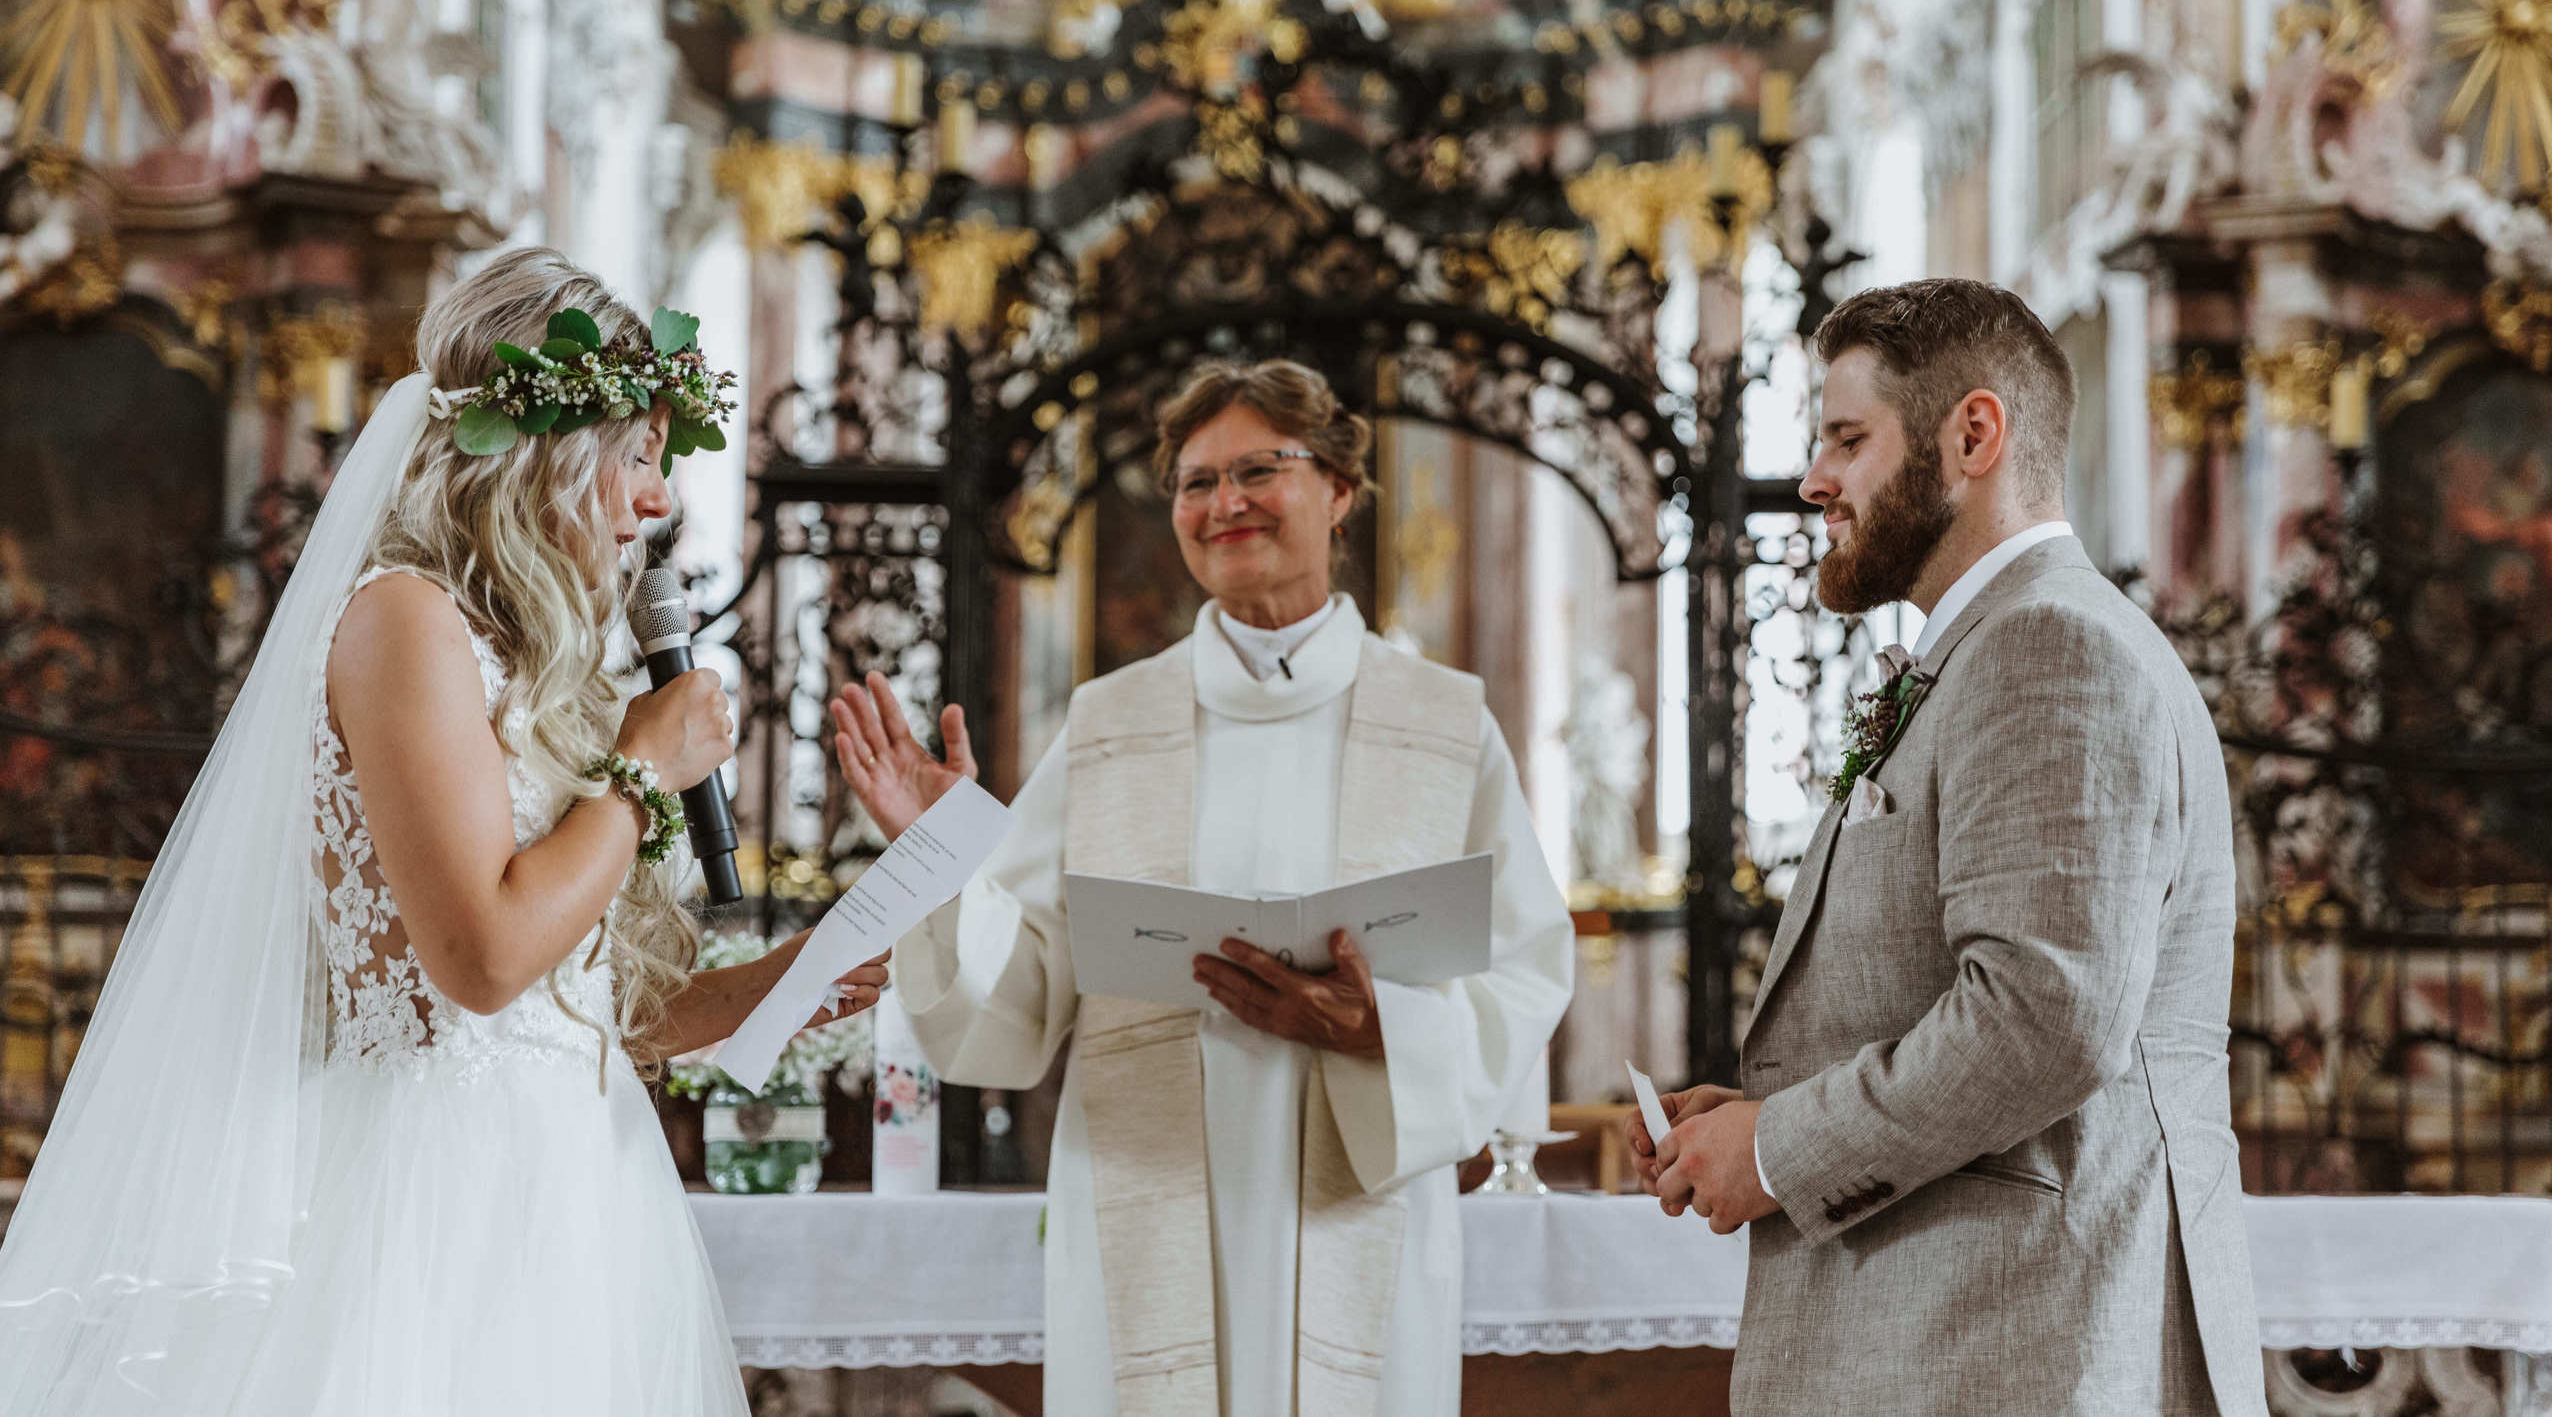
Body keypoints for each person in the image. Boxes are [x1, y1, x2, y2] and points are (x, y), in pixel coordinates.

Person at [0, 248, 890, 1417]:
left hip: (576, 1187)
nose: (659, 501)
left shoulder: (538, 665)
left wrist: (777, 983)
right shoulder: (406, 621)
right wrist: (641, 776)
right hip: (429, 1195)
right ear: (545, 448)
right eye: (636, 456)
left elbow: (570, 1008)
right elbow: (482, 961)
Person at [829, 359, 1574, 1417]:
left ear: (1339, 491)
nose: (1225, 503)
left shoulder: (1442, 721)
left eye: (1259, 470)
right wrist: (941, 854)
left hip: (1361, 1199)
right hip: (1147, 1186)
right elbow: (1021, 983)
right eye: (1195, 481)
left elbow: (1525, 965)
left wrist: (1387, 1031)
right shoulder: (1108, 723)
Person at [1628, 278, 2264, 1416]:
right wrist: (1757, 1113)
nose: (1814, 479)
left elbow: (2042, 1014)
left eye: (1847, 439)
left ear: (1973, 435)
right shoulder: (1992, 644)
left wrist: (1779, 1150)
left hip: (2012, 1348)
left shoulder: (2050, 645)